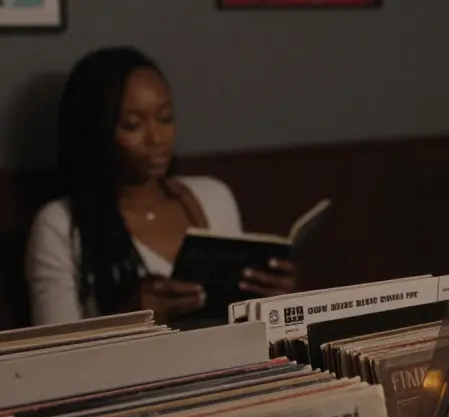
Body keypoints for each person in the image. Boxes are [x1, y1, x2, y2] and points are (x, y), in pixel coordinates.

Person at [26, 46, 296, 327]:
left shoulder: (214, 197)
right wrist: (131, 319)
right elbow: (54, 354)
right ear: (94, 132)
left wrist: (274, 302)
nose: (157, 138)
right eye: (132, 125)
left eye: (165, 118)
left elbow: (243, 325)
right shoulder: (59, 225)